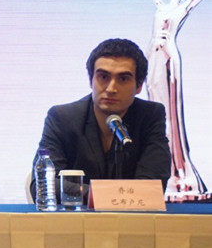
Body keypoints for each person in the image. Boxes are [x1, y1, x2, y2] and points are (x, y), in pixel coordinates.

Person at [30, 38, 171, 199]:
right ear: (91, 81)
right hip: (78, 215)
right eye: (103, 77)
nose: (111, 89)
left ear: (139, 86)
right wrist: (104, 196)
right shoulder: (62, 118)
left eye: (123, 79)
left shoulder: (150, 116)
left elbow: (152, 187)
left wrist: (92, 193)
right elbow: (42, 186)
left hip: (130, 216)